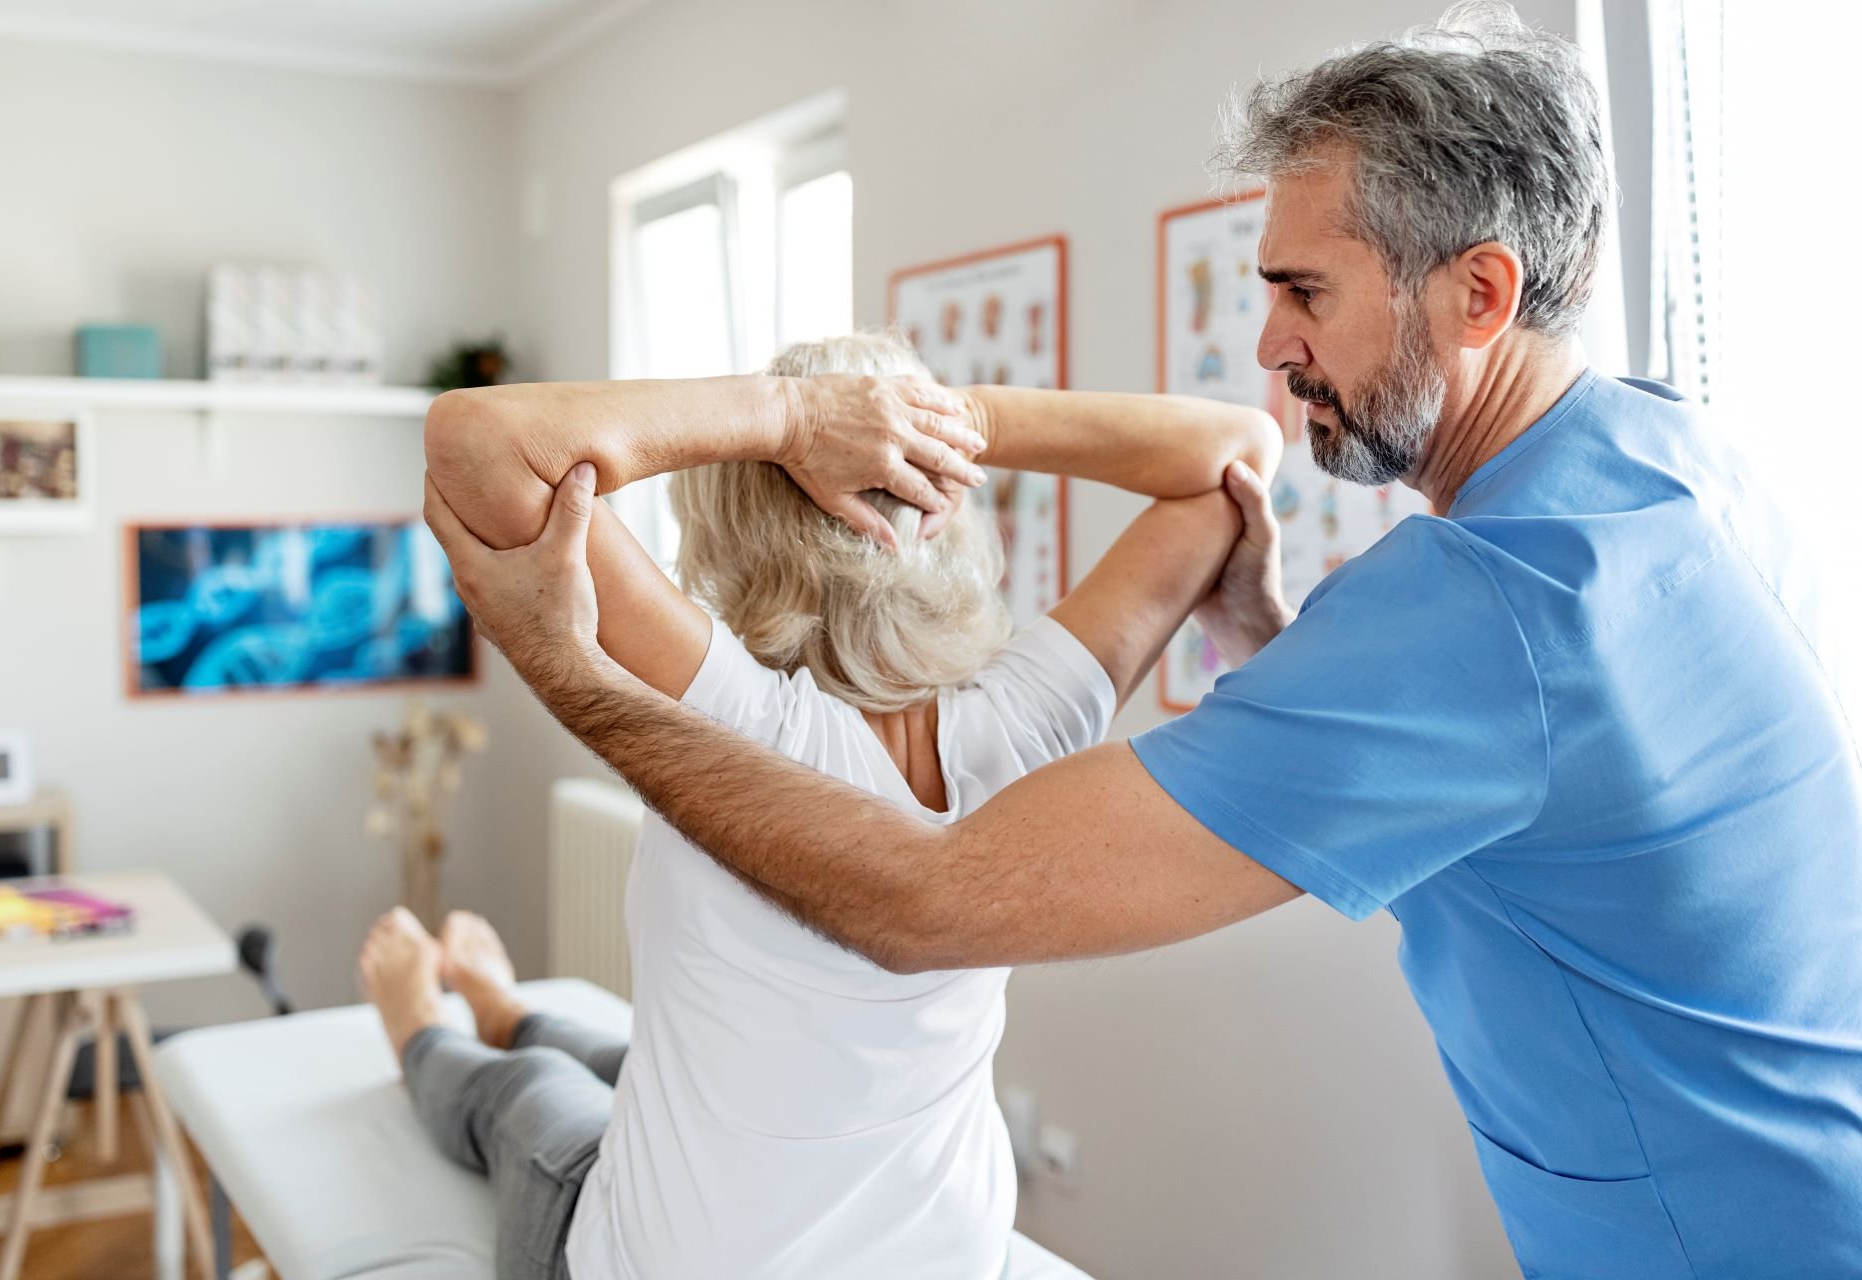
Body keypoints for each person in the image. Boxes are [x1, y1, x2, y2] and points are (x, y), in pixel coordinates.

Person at [425, 7, 1862, 1278]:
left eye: (1305, 291)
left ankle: (454, 1020)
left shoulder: (1493, 607)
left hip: (1734, 1243)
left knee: (551, 1112)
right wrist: (911, 423)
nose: (1269, 346)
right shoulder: (1670, 454)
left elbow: (921, 901)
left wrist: (586, 654)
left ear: (1477, 294)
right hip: (1810, 1180)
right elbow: (1496, 718)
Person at [380, 331, 1277, 1280]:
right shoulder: (1024, 724)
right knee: (622, 1064)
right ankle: (500, 1004)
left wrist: (802, 418)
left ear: (732, 523)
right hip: (948, 1261)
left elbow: (478, 440)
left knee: (527, 1101)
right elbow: (1240, 450)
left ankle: (418, 1020)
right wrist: (953, 424)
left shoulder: (729, 715)